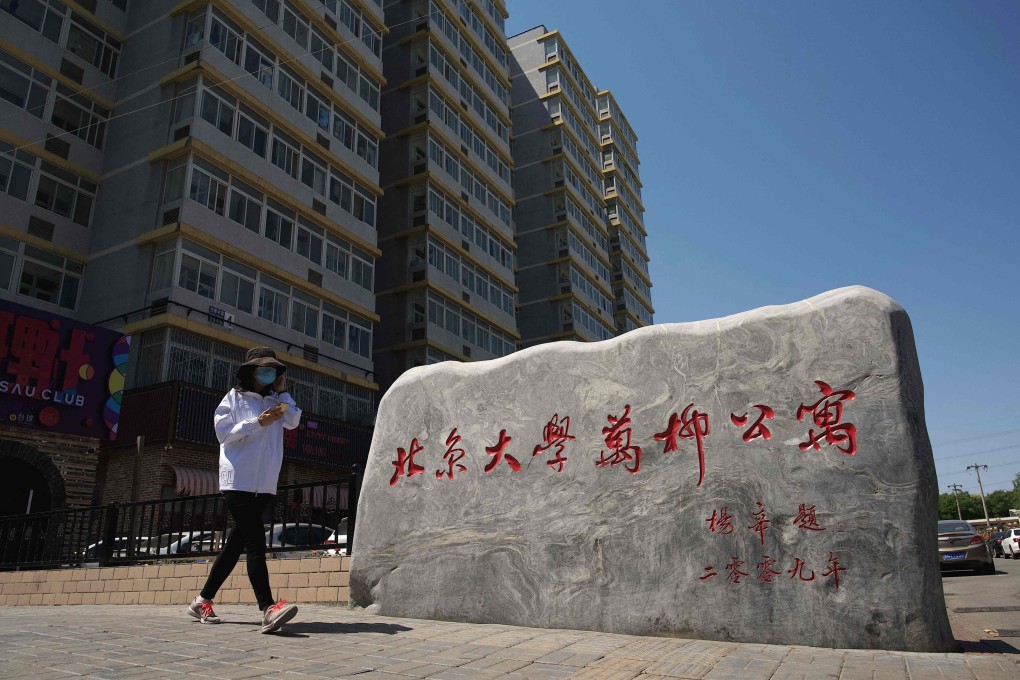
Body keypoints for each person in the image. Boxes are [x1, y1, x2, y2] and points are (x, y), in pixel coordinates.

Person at [187, 346, 302, 633]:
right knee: (255, 542)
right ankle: (268, 608)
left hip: (264, 483)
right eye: (264, 368)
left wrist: (282, 391)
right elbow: (224, 434)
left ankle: (202, 600)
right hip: (238, 479)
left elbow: (294, 420)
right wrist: (257, 423)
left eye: (274, 369)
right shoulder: (234, 398)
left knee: (235, 544)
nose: (269, 372)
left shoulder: (278, 402)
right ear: (250, 370)